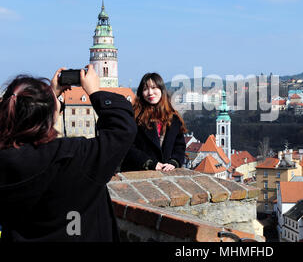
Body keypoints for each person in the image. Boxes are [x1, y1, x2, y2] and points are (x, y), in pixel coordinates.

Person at [0, 65, 137, 242]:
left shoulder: (6, 160)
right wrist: (95, 92)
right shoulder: (72, 155)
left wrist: (50, 98)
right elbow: (123, 130)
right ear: (52, 115)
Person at [120, 72, 187, 172]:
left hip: (166, 173)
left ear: (161, 90)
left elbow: (179, 146)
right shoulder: (135, 116)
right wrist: (149, 163)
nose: (150, 93)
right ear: (141, 93)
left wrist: (174, 162)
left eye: (154, 87)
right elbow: (127, 145)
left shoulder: (173, 118)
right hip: (139, 171)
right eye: (145, 89)